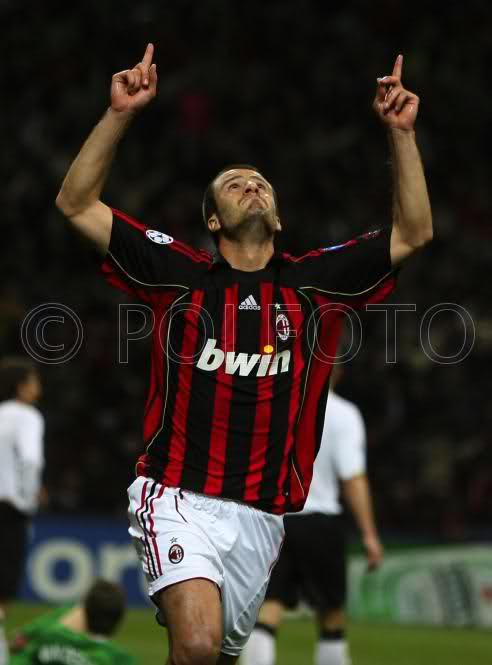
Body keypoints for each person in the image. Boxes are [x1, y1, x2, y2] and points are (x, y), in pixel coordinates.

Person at [55, 43, 432, 664]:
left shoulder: (315, 287)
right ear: (212, 220)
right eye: (233, 184)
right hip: (175, 494)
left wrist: (401, 133)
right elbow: (75, 204)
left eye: (260, 183)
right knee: (198, 645)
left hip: (262, 517)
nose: (251, 185)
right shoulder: (178, 275)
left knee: (213, 658)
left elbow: (414, 232)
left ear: (278, 219)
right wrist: (118, 115)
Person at [242, 366, 383, 665]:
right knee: (331, 614)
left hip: (274, 519)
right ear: (338, 371)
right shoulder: (343, 414)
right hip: (319, 521)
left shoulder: (277, 403)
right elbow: (352, 477)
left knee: (269, 608)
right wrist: (369, 534)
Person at [0, 357, 44, 665]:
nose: (37, 386)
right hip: (9, 510)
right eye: (33, 381)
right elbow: (30, 460)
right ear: (21, 386)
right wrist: (29, 499)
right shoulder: (28, 416)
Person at [9, 579, 135, 664]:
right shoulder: (119, 659)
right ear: (121, 618)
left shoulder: (47, 640)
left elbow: (17, 651)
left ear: (83, 612)